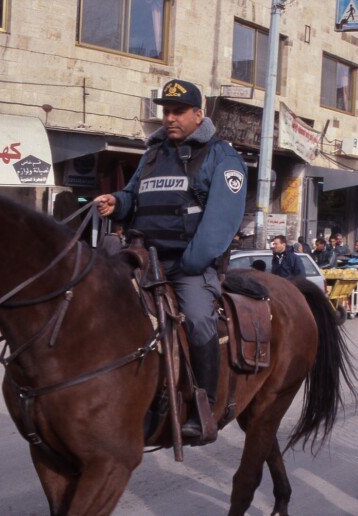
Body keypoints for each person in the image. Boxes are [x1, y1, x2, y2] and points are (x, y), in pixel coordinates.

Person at [95, 78, 247, 439]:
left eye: (179, 112)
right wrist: (117, 202)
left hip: (187, 267)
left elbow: (219, 224)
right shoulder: (153, 154)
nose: (170, 118)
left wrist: (188, 266)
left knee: (197, 319)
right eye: (166, 112)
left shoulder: (221, 156)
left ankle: (203, 405)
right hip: (142, 259)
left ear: (199, 114)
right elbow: (134, 196)